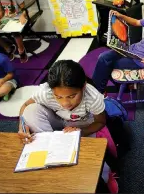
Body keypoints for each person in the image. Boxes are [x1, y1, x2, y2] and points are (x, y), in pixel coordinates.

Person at [17, 60, 118, 193]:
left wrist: (80, 132)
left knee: (92, 160)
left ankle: (104, 175)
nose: (65, 103)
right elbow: (25, 106)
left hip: (82, 125)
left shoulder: (93, 97)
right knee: (31, 110)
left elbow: (100, 122)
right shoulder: (45, 92)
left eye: (72, 96)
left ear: (83, 86)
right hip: (58, 121)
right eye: (58, 97)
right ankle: (49, 147)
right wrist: (22, 127)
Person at [92, 0, 144, 93]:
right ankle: (97, 91)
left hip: (139, 61)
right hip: (131, 50)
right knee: (103, 57)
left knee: (107, 65)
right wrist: (121, 16)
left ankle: (97, 93)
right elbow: (136, 22)